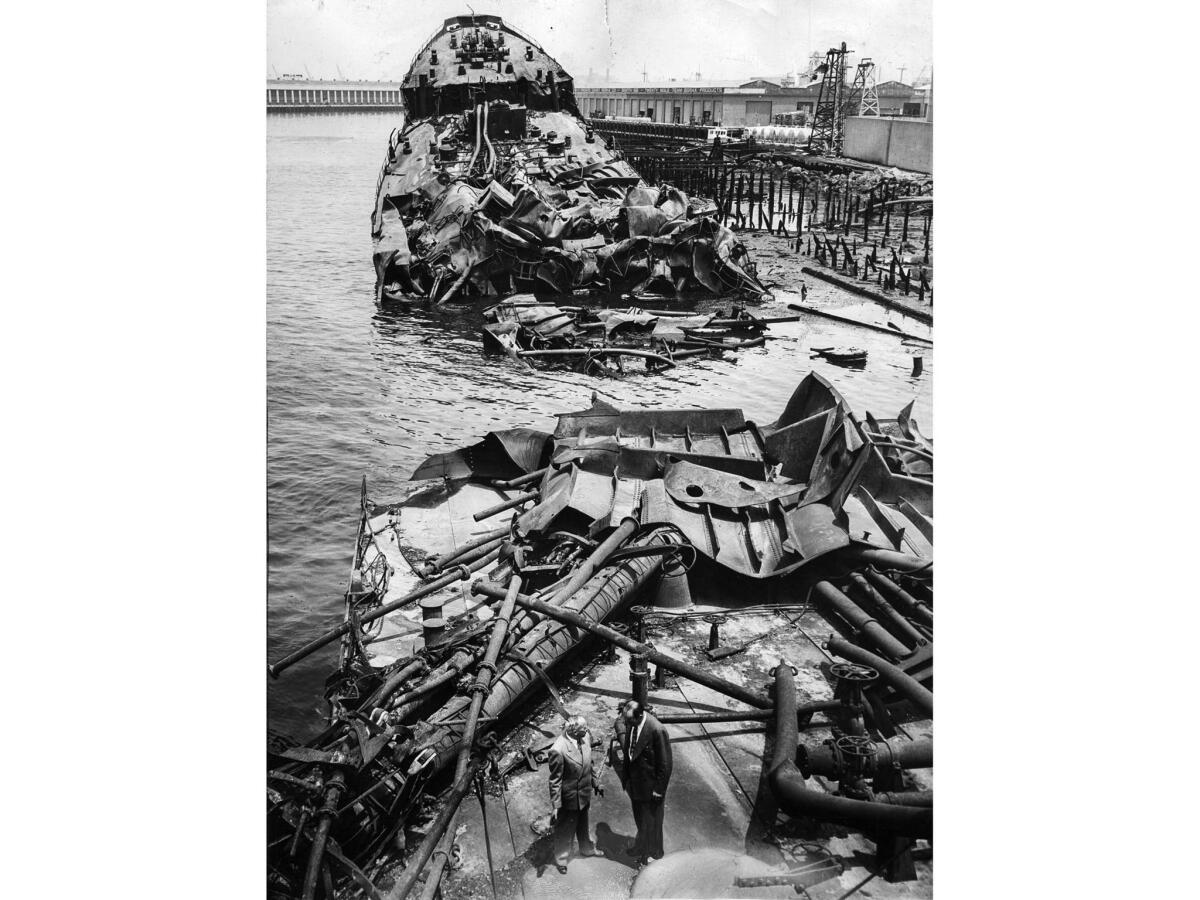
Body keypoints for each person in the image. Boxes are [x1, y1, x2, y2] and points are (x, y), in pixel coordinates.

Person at [609, 699, 672, 866]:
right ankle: (641, 846)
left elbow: (665, 764)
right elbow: (630, 750)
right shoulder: (632, 722)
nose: (626, 724)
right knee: (641, 820)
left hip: (651, 787)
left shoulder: (657, 730)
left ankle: (655, 853)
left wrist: (659, 790)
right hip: (636, 783)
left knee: (653, 822)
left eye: (628, 721)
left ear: (639, 716)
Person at [546, 715, 604, 873]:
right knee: (566, 829)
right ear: (572, 730)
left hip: (584, 793)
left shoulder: (584, 737)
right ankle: (562, 860)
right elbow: (555, 780)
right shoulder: (558, 750)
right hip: (569, 798)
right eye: (583, 728)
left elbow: (589, 762)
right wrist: (556, 806)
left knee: (583, 825)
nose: (587, 730)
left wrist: (596, 783)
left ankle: (587, 849)